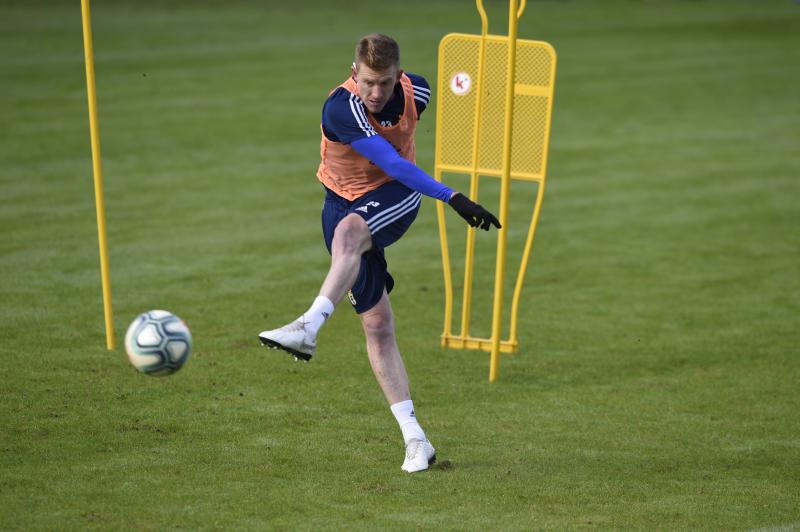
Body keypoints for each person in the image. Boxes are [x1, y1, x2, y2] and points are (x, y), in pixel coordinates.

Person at [259, 33, 500, 473]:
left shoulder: (417, 90)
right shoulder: (340, 107)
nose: (376, 92)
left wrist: (446, 192)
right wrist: (454, 195)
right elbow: (388, 157)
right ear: (355, 74)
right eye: (368, 81)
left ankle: (307, 327)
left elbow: (397, 170)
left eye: (385, 83)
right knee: (377, 324)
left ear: (399, 76)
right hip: (339, 202)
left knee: (351, 235)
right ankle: (416, 440)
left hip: (395, 195)